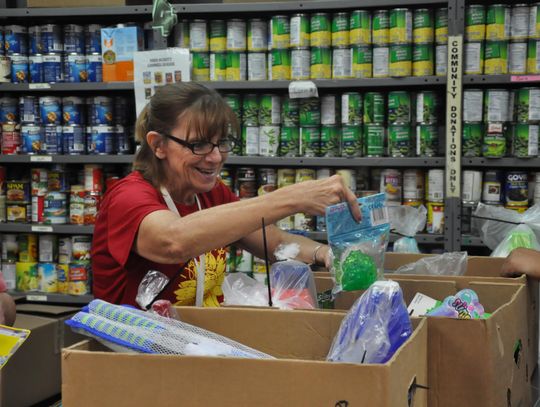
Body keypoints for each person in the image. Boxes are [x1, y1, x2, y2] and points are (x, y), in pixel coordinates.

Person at [91, 83, 361, 308]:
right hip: (133, 360)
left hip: (193, 351)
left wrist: (326, 254)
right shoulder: (127, 197)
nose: (216, 157)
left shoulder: (209, 193)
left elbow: (274, 242)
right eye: (198, 145)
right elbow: (172, 242)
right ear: (158, 145)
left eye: (222, 142)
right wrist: (290, 198)